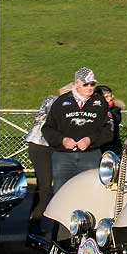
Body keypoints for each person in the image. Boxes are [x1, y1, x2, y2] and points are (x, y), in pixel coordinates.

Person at [42, 67, 113, 193]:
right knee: (61, 193)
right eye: (85, 84)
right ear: (75, 84)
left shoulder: (100, 102)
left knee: (89, 192)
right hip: (63, 156)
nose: (89, 87)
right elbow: (47, 129)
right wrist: (62, 140)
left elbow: (108, 130)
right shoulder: (62, 101)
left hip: (90, 155)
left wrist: (89, 140)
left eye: (92, 84)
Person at [25, 82, 73, 238]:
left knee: (53, 185)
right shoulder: (53, 100)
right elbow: (45, 118)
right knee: (45, 186)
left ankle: (46, 222)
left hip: (55, 146)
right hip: (40, 145)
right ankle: (35, 222)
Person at [97, 85, 123, 156]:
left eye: (110, 96)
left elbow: (116, 120)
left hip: (112, 145)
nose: (110, 98)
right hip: (98, 146)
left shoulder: (115, 110)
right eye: (106, 97)